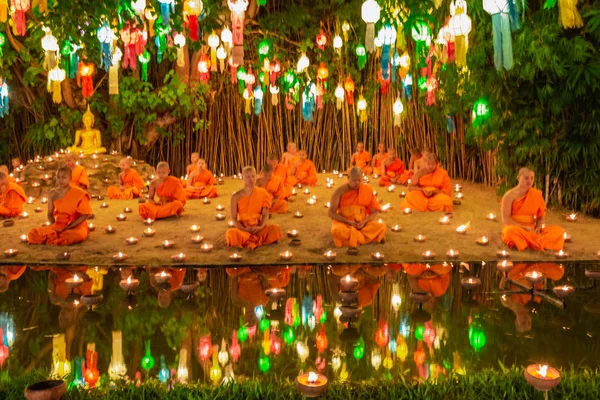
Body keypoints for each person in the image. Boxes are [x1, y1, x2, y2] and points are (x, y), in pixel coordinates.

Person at [501, 167, 564, 251]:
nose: (529, 181)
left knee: (559, 231)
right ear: (518, 178)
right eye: (526, 178)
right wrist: (523, 227)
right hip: (515, 227)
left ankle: (530, 242)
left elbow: (541, 216)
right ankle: (536, 242)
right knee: (509, 232)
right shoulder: (509, 195)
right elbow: (506, 220)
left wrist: (538, 227)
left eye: (532, 178)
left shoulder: (536, 194)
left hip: (531, 229)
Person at [27, 166, 92, 245]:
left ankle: (60, 235)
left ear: (70, 178)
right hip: (59, 224)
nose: (60, 180)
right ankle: (57, 234)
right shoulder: (52, 194)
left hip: (76, 225)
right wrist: (54, 227)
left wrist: (69, 227)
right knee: (32, 234)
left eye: (63, 177)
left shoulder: (78, 193)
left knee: (77, 235)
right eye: (58, 177)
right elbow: (50, 214)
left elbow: (85, 215)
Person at [226, 166, 282, 249]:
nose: (251, 179)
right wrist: (244, 229)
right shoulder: (236, 196)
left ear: (256, 177)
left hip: (257, 227)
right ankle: (254, 239)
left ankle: (249, 240)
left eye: (253, 176)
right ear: (242, 178)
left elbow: (265, 215)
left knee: (275, 229)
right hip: (243, 228)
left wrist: (260, 226)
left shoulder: (263, 193)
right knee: (231, 234)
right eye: (247, 177)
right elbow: (234, 218)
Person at [329, 167, 386, 247]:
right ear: (348, 178)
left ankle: (353, 238)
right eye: (354, 180)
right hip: (344, 223)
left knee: (380, 226)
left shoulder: (367, 189)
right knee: (336, 230)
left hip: (361, 224)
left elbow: (374, 212)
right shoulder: (339, 191)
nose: (357, 183)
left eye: (359, 180)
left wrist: (364, 222)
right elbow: (331, 213)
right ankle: (365, 238)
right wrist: (348, 222)